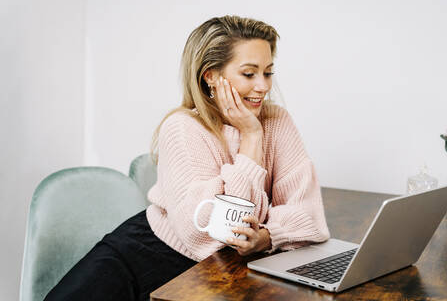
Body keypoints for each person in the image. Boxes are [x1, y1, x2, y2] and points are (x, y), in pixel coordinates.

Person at [45, 15, 330, 301]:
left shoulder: (277, 121)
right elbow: (215, 236)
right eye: (249, 73)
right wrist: (251, 139)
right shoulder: (183, 128)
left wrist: (267, 236)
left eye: (268, 73)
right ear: (211, 76)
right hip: (148, 257)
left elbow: (310, 217)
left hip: (218, 272)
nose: (263, 86)